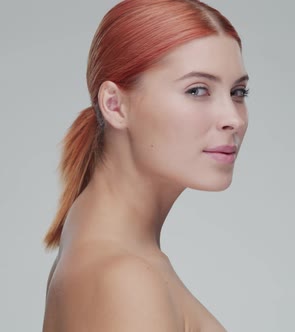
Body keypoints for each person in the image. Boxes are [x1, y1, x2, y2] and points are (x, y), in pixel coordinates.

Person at [42, 0, 250, 330]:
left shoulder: (100, 246)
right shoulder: (125, 279)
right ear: (115, 105)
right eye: (197, 90)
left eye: (238, 92)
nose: (233, 118)